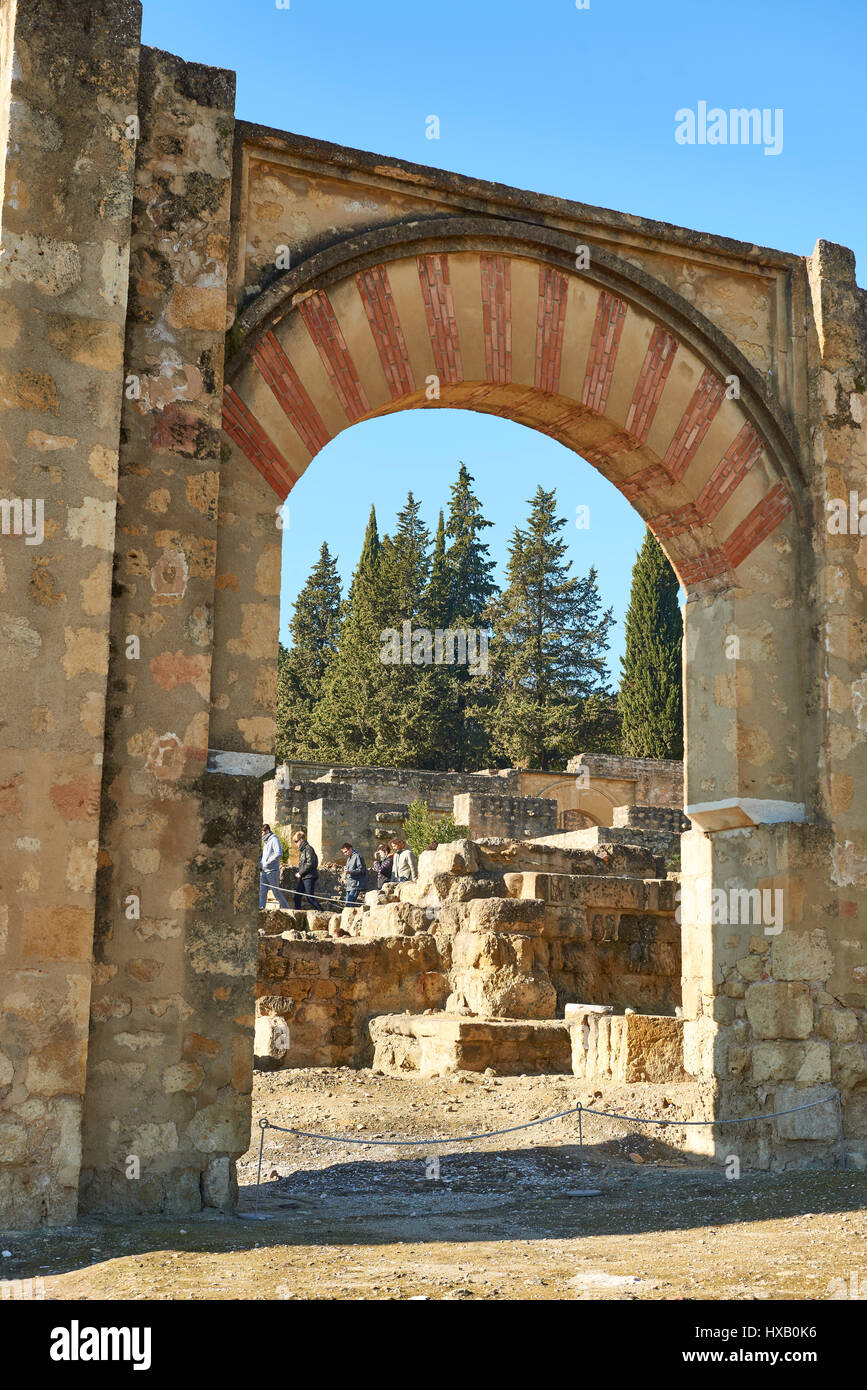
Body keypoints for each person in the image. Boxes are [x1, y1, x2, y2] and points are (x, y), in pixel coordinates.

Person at [259, 823, 290, 909]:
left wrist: (267, 863)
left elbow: (279, 853)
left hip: (272, 871)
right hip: (265, 871)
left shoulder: (274, 839)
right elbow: (264, 857)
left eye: (261, 832)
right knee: (262, 892)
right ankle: (261, 909)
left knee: (276, 892)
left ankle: (287, 909)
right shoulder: (266, 842)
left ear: (267, 831)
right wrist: (261, 864)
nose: (260, 835)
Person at [292, 828, 321, 910]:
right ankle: (298, 914)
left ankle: (322, 912)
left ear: (301, 839)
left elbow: (310, 863)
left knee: (310, 898)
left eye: (296, 841)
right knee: (297, 897)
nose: (296, 844)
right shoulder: (304, 850)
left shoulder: (308, 849)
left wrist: (300, 873)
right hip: (304, 877)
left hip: (309, 876)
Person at [341, 841, 367, 906]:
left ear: (351, 848)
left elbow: (361, 870)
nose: (345, 854)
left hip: (355, 885)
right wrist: (344, 877)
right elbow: (347, 870)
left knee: (349, 905)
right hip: (349, 885)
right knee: (347, 905)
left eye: (346, 851)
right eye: (344, 852)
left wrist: (349, 872)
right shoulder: (349, 859)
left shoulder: (357, 856)